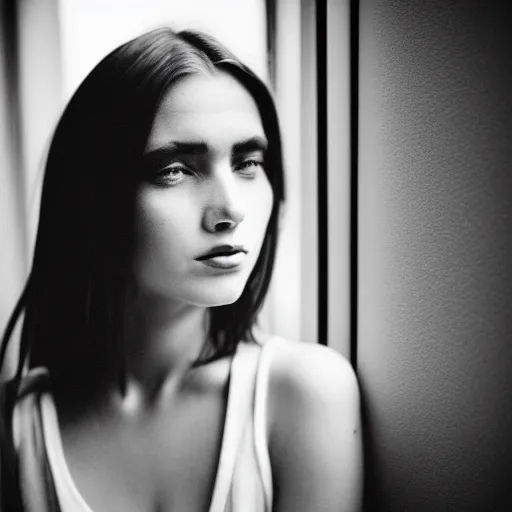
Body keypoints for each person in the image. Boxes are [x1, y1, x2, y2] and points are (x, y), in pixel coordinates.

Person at [0, 27, 362, 511]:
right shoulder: (15, 429)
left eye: (248, 162)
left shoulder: (303, 396)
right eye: (175, 169)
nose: (230, 209)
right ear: (93, 197)